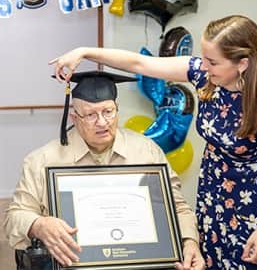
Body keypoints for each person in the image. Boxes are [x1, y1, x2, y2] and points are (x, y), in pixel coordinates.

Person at [49, 15, 257, 269]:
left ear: (242, 64)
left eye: (212, 61)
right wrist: (85, 52)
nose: (204, 65)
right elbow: (139, 63)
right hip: (214, 202)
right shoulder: (205, 77)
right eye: (203, 57)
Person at [4, 71, 205, 270]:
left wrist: (190, 242)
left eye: (108, 112)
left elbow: (176, 206)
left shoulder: (146, 150)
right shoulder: (42, 160)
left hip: (137, 262)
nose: (102, 122)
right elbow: (14, 217)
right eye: (91, 115)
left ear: (117, 109)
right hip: (72, 264)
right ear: (75, 118)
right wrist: (39, 225)